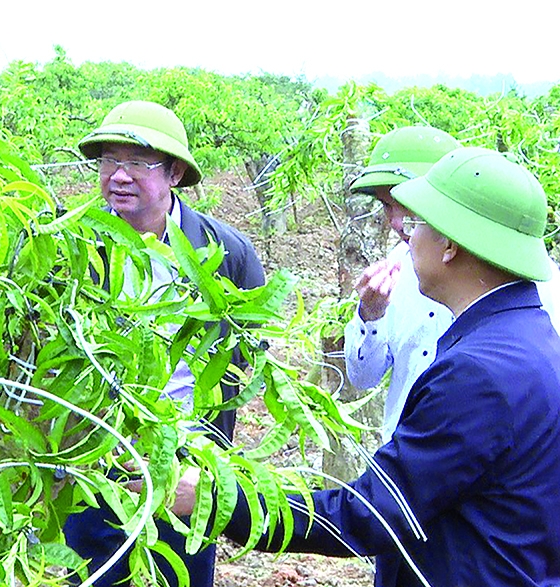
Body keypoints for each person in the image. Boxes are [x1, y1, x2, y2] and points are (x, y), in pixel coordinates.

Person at [214, 147, 560, 586]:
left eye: (416, 225)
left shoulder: (478, 374)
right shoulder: (530, 336)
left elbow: (373, 512)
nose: (407, 238)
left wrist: (225, 502)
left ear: (450, 244)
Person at [63, 100, 265, 587]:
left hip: (185, 463)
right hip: (95, 458)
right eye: (109, 161)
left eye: (138, 163)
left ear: (174, 173)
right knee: (94, 572)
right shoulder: (73, 243)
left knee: (180, 570)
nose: (119, 176)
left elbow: (246, 353)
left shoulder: (225, 252)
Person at [343, 127, 560, 443]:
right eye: (388, 206)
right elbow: (362, 377)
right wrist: (370, 315)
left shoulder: (535, 287)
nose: (398, 222)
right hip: (411, 465)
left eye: (411, 204)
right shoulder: (395, 270)